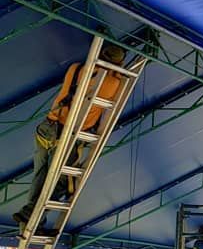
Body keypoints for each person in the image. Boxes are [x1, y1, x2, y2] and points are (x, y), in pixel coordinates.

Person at [14, 42, 127, 233]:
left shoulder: (76, 68)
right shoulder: (113, 83)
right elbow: (108, 109)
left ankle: (30, 223)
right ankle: (32, 213)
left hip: (47, 127)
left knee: (40, 177)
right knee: (64, 184)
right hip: (68, 135)